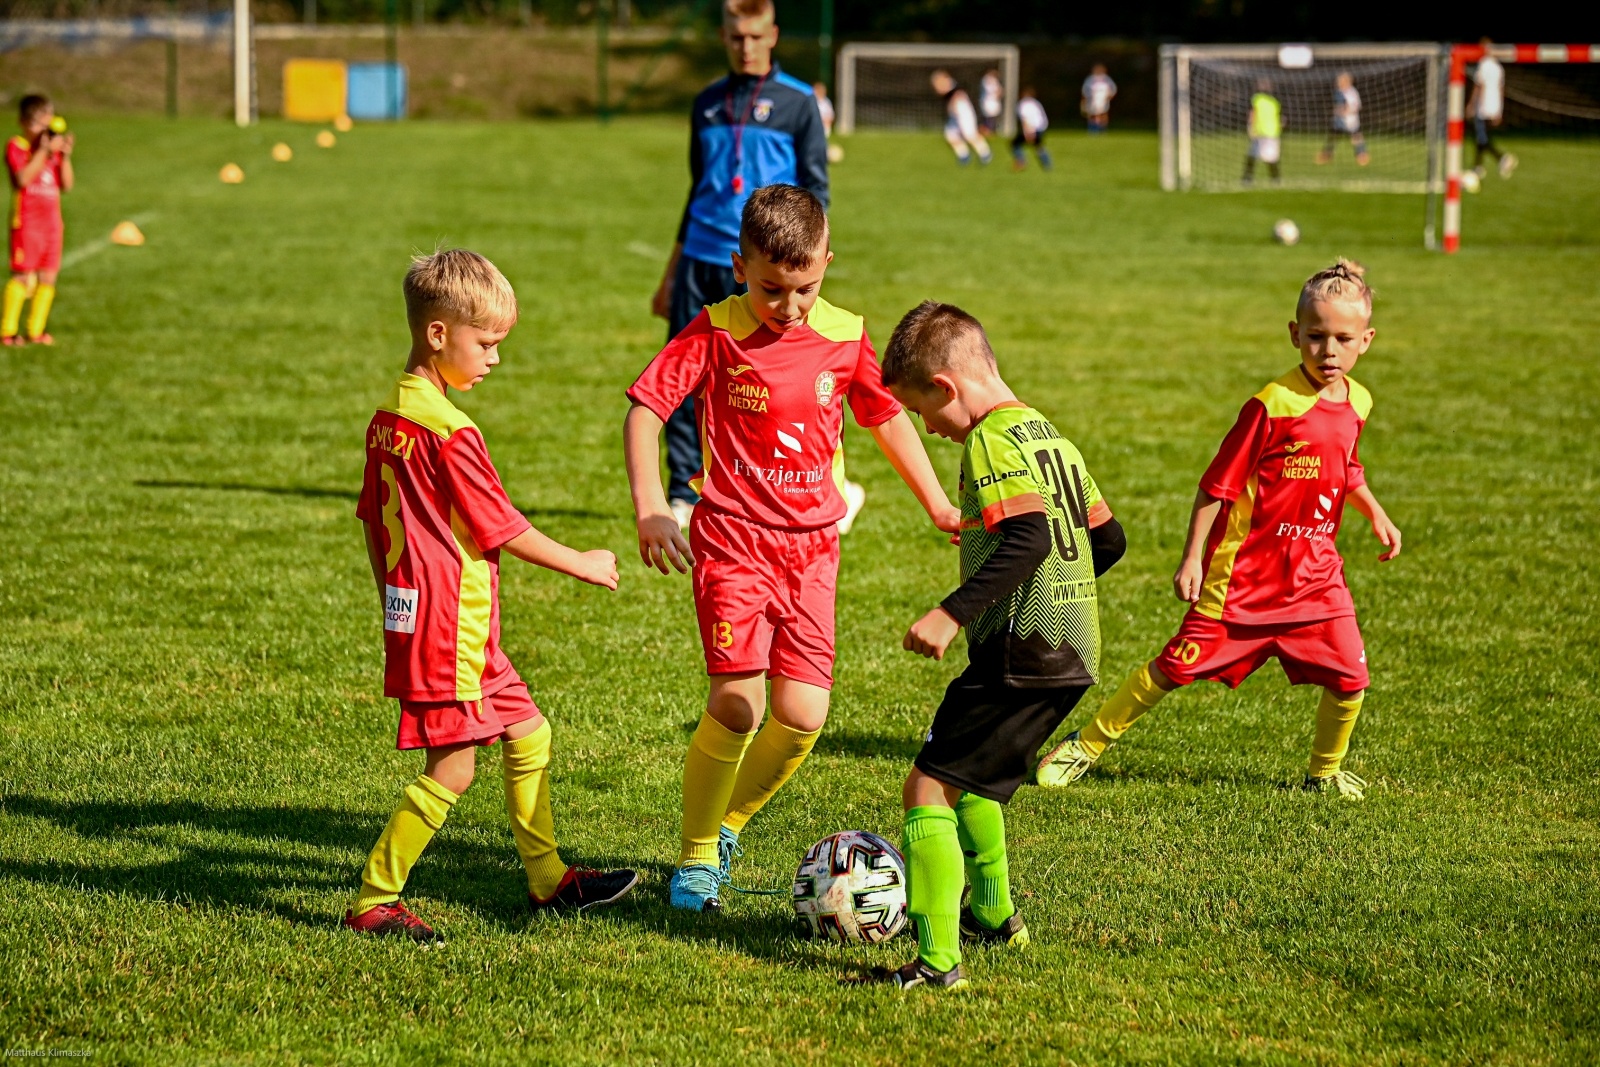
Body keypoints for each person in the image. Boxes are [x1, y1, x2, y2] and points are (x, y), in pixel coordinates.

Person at [624, 186, 961, 913]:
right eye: (772, 288)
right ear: (739, 264)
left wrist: (937, 503)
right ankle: (695, 855)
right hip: (732, 542)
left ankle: (730, 826)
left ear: (827, 265)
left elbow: (886, 417)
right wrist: (653, 508)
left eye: (805, 287)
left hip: (812, 550)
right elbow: (647, 410)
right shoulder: (713, 331)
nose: (790, 305)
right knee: (739, 704)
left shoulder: (846, 335)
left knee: (804, 713)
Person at [345, 250, 639, 943]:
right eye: (486, 344)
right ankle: (373, 899)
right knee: (454, 765)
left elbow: (369, 518)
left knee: (530, 730)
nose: (494, 360)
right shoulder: (452, 431)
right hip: (452, 626)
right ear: (438, 334)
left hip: (445, 622)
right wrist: (584, 561)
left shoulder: (390, 415)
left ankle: (548, 879)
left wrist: (392, 592)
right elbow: (500, 526)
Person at [1037, 260, 1402, 801]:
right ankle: (1085, 745)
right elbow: (1217, 486)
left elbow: (1346, 465)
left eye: (1343, 339)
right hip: (1243, 581)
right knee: (1173, 668)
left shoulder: (1359, 401)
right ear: (1294, 333)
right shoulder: (1271, 405)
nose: (1329, 351)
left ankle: (1323, 772)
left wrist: (1373, 510)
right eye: (1317, 336)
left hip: (1318, 580)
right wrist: (1191, 559)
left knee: (1351, 679)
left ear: (1366, 341)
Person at [851, 301, 1126, 989]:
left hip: (1020, 646)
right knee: (976, 776)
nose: (928, 429)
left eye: (922, 411)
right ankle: (996, 914)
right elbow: (1107, 540)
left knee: (928, 785)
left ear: (946, 387)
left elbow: (1031, 538)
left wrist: (952, 610)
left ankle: (938, 962)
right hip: (1074, 648)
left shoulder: (990, 439)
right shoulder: (1047, 433)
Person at [650, 0, 849, 534]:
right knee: (688, 380)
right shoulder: (707, 103)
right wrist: (670, 272)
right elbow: (698, 189)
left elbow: (816, 191)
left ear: (774, 35)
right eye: (737, 37)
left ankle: (814, 476)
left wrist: (808, 268)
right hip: (701, 257)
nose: (746, 46)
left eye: (756, 37)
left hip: (767, 268)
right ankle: (682, 490)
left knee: (785, 379)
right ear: (724, 36)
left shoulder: (799, 103)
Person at [3, 94, 73, 346]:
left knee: (48, 277)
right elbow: (21, 180)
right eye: (37, 125)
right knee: (22, 277)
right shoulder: (18, 146)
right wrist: (43, 151)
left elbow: (67, 184)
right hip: (27, 223)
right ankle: (8, 332)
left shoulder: (52, 152)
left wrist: (64, 157)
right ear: (22, 122)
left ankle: (36, 331)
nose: (43, 131)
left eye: (47, 124)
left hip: (52, 223)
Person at [1468, 39, 1517, 179]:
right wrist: (1499, 110)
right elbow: (1501, 90)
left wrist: (1472, 105)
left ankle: (1502, 158)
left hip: (1482, 106)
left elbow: (1479, 86)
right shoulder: (1498, 67)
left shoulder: (1483, 65)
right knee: (1481, 137)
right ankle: (1477, 167)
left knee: (1482, 137)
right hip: (1494, 106)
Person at [931, 69, 992, 166]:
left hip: (963, 113)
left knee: (970, 135)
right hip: (954, 115)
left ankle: (986, 154)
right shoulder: (947, 88)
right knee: (951, 135)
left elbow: (959, 95)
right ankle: (964, 156)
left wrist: (954, 105)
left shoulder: (952, 86)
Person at [1317, 72, 1370, 166]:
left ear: (1347, 82)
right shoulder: (1339, 92)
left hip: (1349, 120)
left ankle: (1362, 155)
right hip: (1339, 119)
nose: (1338, 83)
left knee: (1356, 137)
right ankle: (1327, 154)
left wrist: (1345, 111)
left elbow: (1356, 106)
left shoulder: (1351, 92)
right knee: (1333, 136)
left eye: (1340, 81)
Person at [1242, 78, 1282, 185]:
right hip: (1271, 132)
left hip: (1263, 132)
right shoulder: (1274, 101)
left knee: (1257, 156)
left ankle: (1247, 179)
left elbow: (1252, 113)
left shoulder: (1257, 99)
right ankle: (1274, 179)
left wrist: (1250, 126)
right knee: (1261, 156)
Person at [1012, 87, 1051, 171]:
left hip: (1031, 129)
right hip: (1042, 127)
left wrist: (1028, 132)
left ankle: (1021, 160)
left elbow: (1025, 120)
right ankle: (1047, 164)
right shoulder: (1036, 103)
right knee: (1038, 146)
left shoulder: (1022, 104)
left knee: (1015, 144)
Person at [813, 81, 844, 164]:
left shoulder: (826, 102)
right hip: (814, 126)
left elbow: (830, 115)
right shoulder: (812, 102)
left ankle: (822, 157)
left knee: (821, 142)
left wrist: (827, 121)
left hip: (824, 127)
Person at [1081, 64, 1117, 133]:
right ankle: (1093, 130)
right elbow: (1085, 90)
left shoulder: (1107, 79)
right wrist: (1085, 99)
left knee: (1103, 114)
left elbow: (1113, 89)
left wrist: (1109, 97)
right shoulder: (1090, 79)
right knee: (1092, 115)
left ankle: (1102, 129)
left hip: (1103, 100)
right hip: (1092, 100)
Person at [977, 68, 1004, 137]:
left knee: (993, 117)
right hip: (988, 101)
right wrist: (997, 92)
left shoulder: (995, 80)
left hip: (994, 102)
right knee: (988, 117)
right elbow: (990, 90)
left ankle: (989, 131)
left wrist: (999, 92)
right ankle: (986, 131)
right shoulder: (986, 79)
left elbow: (999, 90)